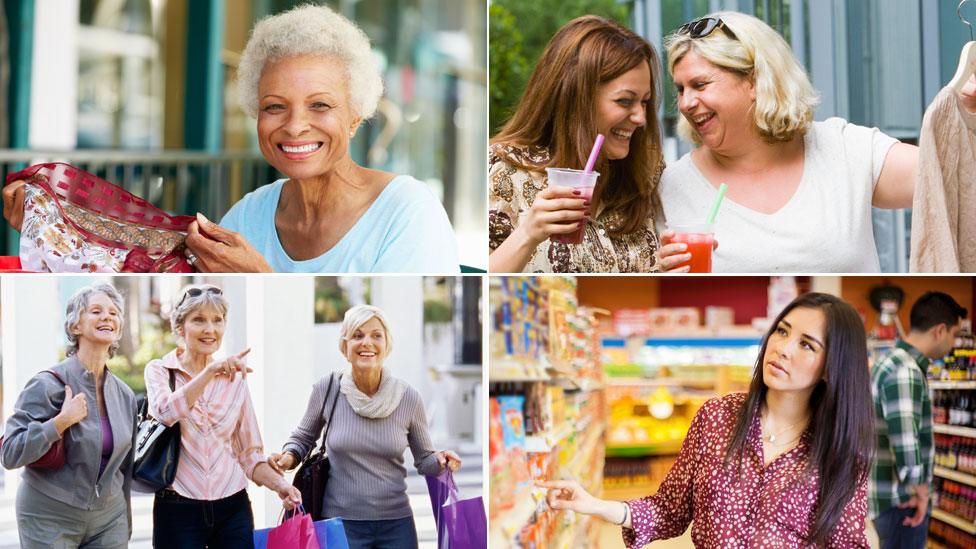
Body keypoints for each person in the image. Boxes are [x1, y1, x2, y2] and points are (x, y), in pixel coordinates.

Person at [3, 4, 458, 274]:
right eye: (274, 106)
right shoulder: (249, 213)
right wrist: (56, 226)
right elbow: (148, 267)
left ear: (356, 117)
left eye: (320, 105)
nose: (295, 126)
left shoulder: (408, 212)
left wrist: (260, 277)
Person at [541, 293, 875, 547]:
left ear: (832, 368)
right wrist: (594, 505)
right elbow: (667, 510)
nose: (783, 348)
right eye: (782, 331)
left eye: (806, 344)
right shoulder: (716, 417)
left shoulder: (843, 452)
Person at [659, 12, 976, 272]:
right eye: (681, 89)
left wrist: (968, 117)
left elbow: (954, 175)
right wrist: (658, 272)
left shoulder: (844, 149)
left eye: (700, 85)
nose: (685, 103)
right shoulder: (672, 185)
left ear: (754, 81)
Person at [488, 15, 696, 273]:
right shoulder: (500, 171)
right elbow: (478, 281)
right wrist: (528, 234)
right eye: (624, 101)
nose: (641, 118)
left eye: (644, 102)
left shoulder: (646, 174)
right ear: (576, 98)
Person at [267, 305, 461, 548]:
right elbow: (304, 438)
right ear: (345, 347)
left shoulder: (409, 398)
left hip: (396, 526)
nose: (367, 342)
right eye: (358, 336)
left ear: (386, 345)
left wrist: (441, 460)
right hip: (340, 525)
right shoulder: (328, 389)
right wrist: (287, 458)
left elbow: (425, 460)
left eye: (376, 335)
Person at [145, 284, 301, 547]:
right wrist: (209, 373)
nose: (210, 329)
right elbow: (164, 412)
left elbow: (249, 454)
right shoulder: (160, 371)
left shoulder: (235, 380)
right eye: (199, 320)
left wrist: (280, 486)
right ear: (180, 328)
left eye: (217, 320)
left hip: (233, 506)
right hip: (178, 508)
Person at [1, 284, 138, 548]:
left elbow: (125, 467)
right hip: (48, 515)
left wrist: (125, 521)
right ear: (75, 326)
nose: (107, 317)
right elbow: (10, 453)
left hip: (109, 519)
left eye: (113, 313)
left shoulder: (125, 395)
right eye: (96, 311)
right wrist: (60, 422)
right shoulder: (46, 384)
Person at [870, 292, 968, 548]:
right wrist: (921, 491)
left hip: (885, 498)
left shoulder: (889, 361)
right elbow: (905, 440)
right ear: (939, 330)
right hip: (902, 503)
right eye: (954, 335)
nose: (954, 344)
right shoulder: (906, 370)